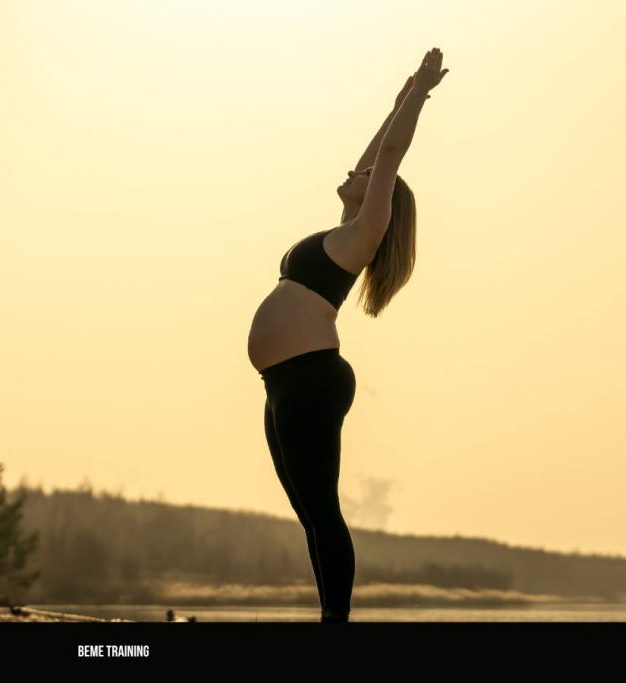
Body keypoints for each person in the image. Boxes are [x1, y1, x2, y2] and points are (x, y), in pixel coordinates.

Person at [246, 48, 449, 622]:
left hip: (312, 377)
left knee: (323, 510)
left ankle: (336, 622)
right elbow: (376, 150)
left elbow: (389, 154)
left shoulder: (364, 233)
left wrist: (420, 95)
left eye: (365, 177)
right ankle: (329, 617)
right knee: (310, 511)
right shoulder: (343, 230)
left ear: (379, 197)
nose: (353, 171)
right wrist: (397, 99)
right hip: (282, 380)